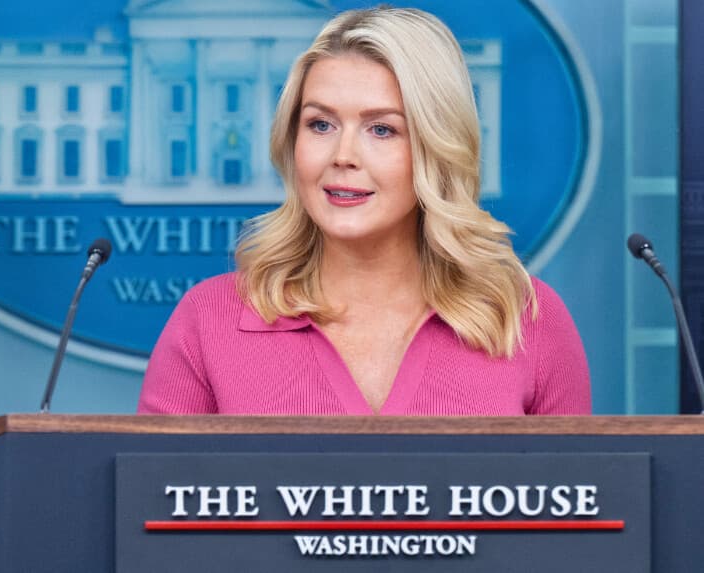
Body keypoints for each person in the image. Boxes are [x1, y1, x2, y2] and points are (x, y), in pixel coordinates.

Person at [137, 6, 591, 415]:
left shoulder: (526, 316)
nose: (343, 155)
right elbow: (149, 500)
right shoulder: (209, 318)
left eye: (381, 129)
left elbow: (584, 499)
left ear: (436, 146)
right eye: (320, 124)